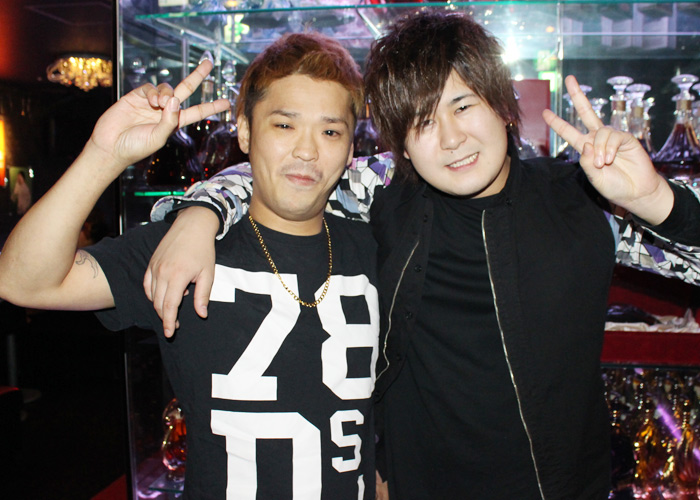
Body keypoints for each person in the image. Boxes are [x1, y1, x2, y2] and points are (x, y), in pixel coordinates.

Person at [144, 11, 700, 500]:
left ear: (503, 105)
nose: (452, 139)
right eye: (423, 121)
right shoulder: (386, 192)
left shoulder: (582, 197)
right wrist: (201, 213)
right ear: (400, 145)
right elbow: (279, 171)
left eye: (463, 105)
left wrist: (655, 200)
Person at [0, 33, 383, 499]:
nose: (307, 150)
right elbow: (23, 281)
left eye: (330, 132)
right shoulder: (184, 247)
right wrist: (104, 154)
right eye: (284, 125)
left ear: (350, 148)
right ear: (245, 131)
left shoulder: (379, 248)